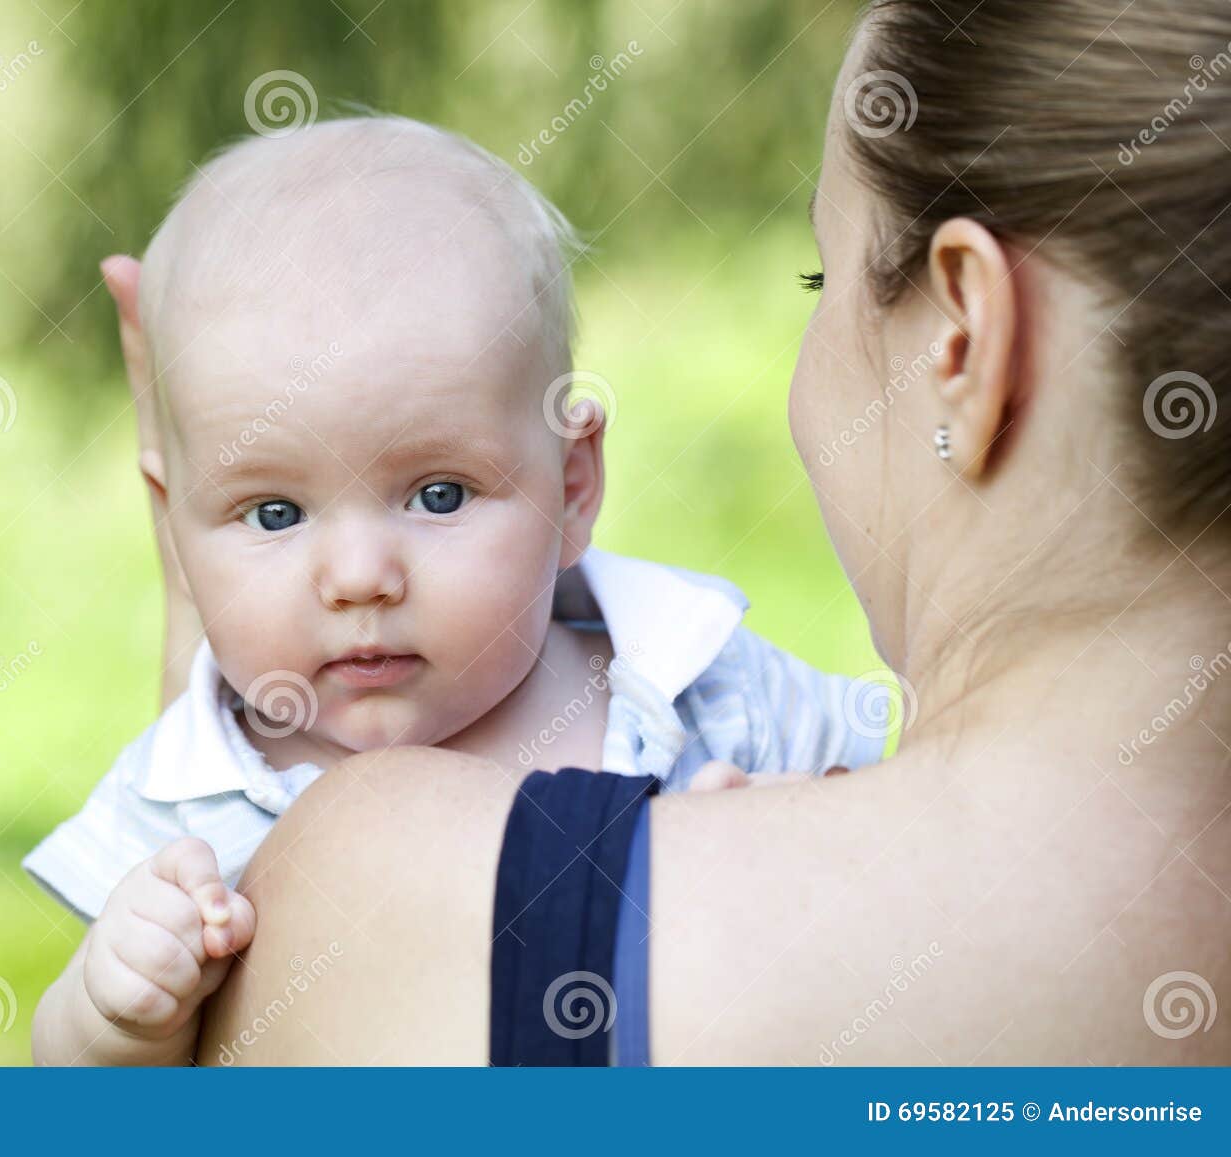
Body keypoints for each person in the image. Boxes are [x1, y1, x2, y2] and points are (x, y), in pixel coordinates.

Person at [193, 0, 1231, 1065]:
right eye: (277, 512)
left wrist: (231, 562)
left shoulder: (411, 908)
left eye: (822, 280)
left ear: (961, 342)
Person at [27, 116, 891, 1066]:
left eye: (438, 495)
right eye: (275, 513)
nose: (358, 576)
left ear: (572, 484)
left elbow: (916, 868)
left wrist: (799, 837)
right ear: (174, 523)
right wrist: (116, 1015)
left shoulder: (701, 687)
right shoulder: (185, 803)